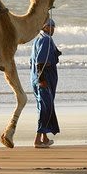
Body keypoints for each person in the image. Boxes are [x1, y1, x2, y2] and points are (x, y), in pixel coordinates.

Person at [30, 17, 61, 148]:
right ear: (44, 27)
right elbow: (40, 62)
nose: (52, 28)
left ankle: (45, 137)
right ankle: (37, 140)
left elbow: (32, 61)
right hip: (44, 79)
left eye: (53, 26)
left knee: (43, 106)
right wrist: (42, 80)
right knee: (45, 108)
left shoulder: (37, 40)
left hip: (36, 79)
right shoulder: (46, 40)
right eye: (49, 26)